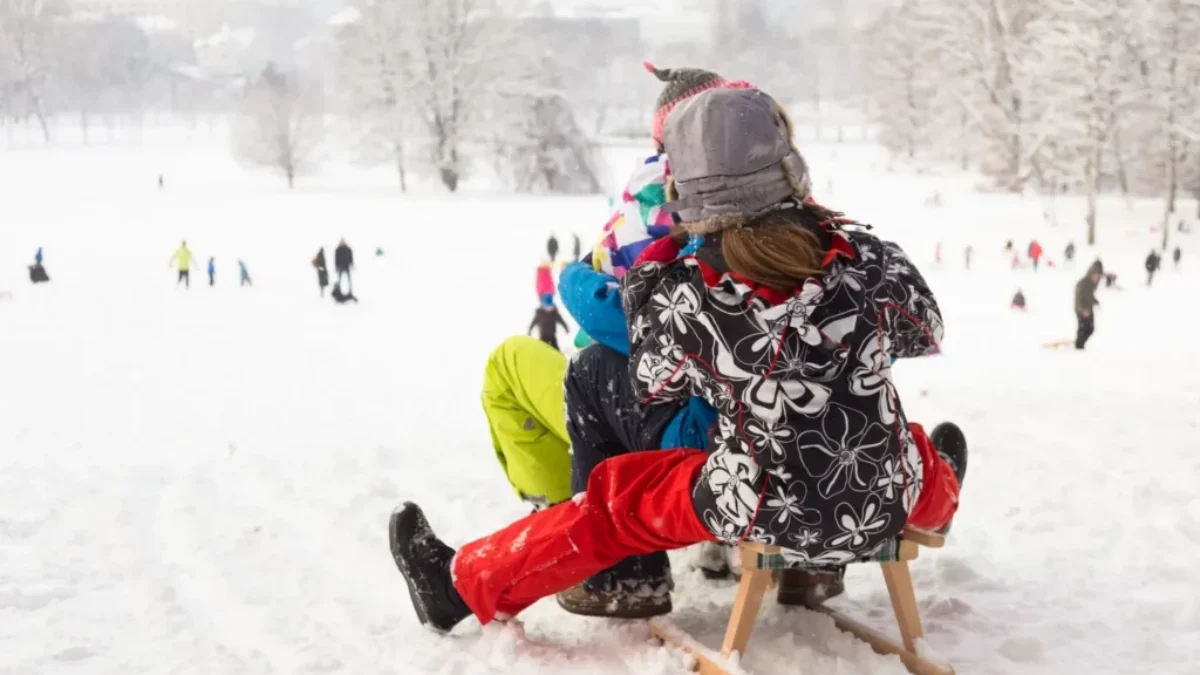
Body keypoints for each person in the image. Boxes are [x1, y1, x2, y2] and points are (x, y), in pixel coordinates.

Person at [387, 86, 965, 634]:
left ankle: (459, 587)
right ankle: (939, 499)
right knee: (905, 441)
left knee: (614, 503)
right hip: (884, 491)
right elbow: (925, 333)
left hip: (753, 497)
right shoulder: (867, 258)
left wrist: (657, 273)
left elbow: (652, 380)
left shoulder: (687, 290)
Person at [1075, 263, 1102, 350]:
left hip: (1089, 309)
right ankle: (1079, 346)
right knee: (1083, 329)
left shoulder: (1091, 285)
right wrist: (1083, 310)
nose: (1096, 278)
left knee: (1090, 329)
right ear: (1090, 274)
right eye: (1094, 276)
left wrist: (1095, 301)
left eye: (1097, 277)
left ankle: (1080, 342)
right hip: (1081, 310)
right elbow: (1079, 297)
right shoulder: (1083, 283)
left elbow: (1089, 296)